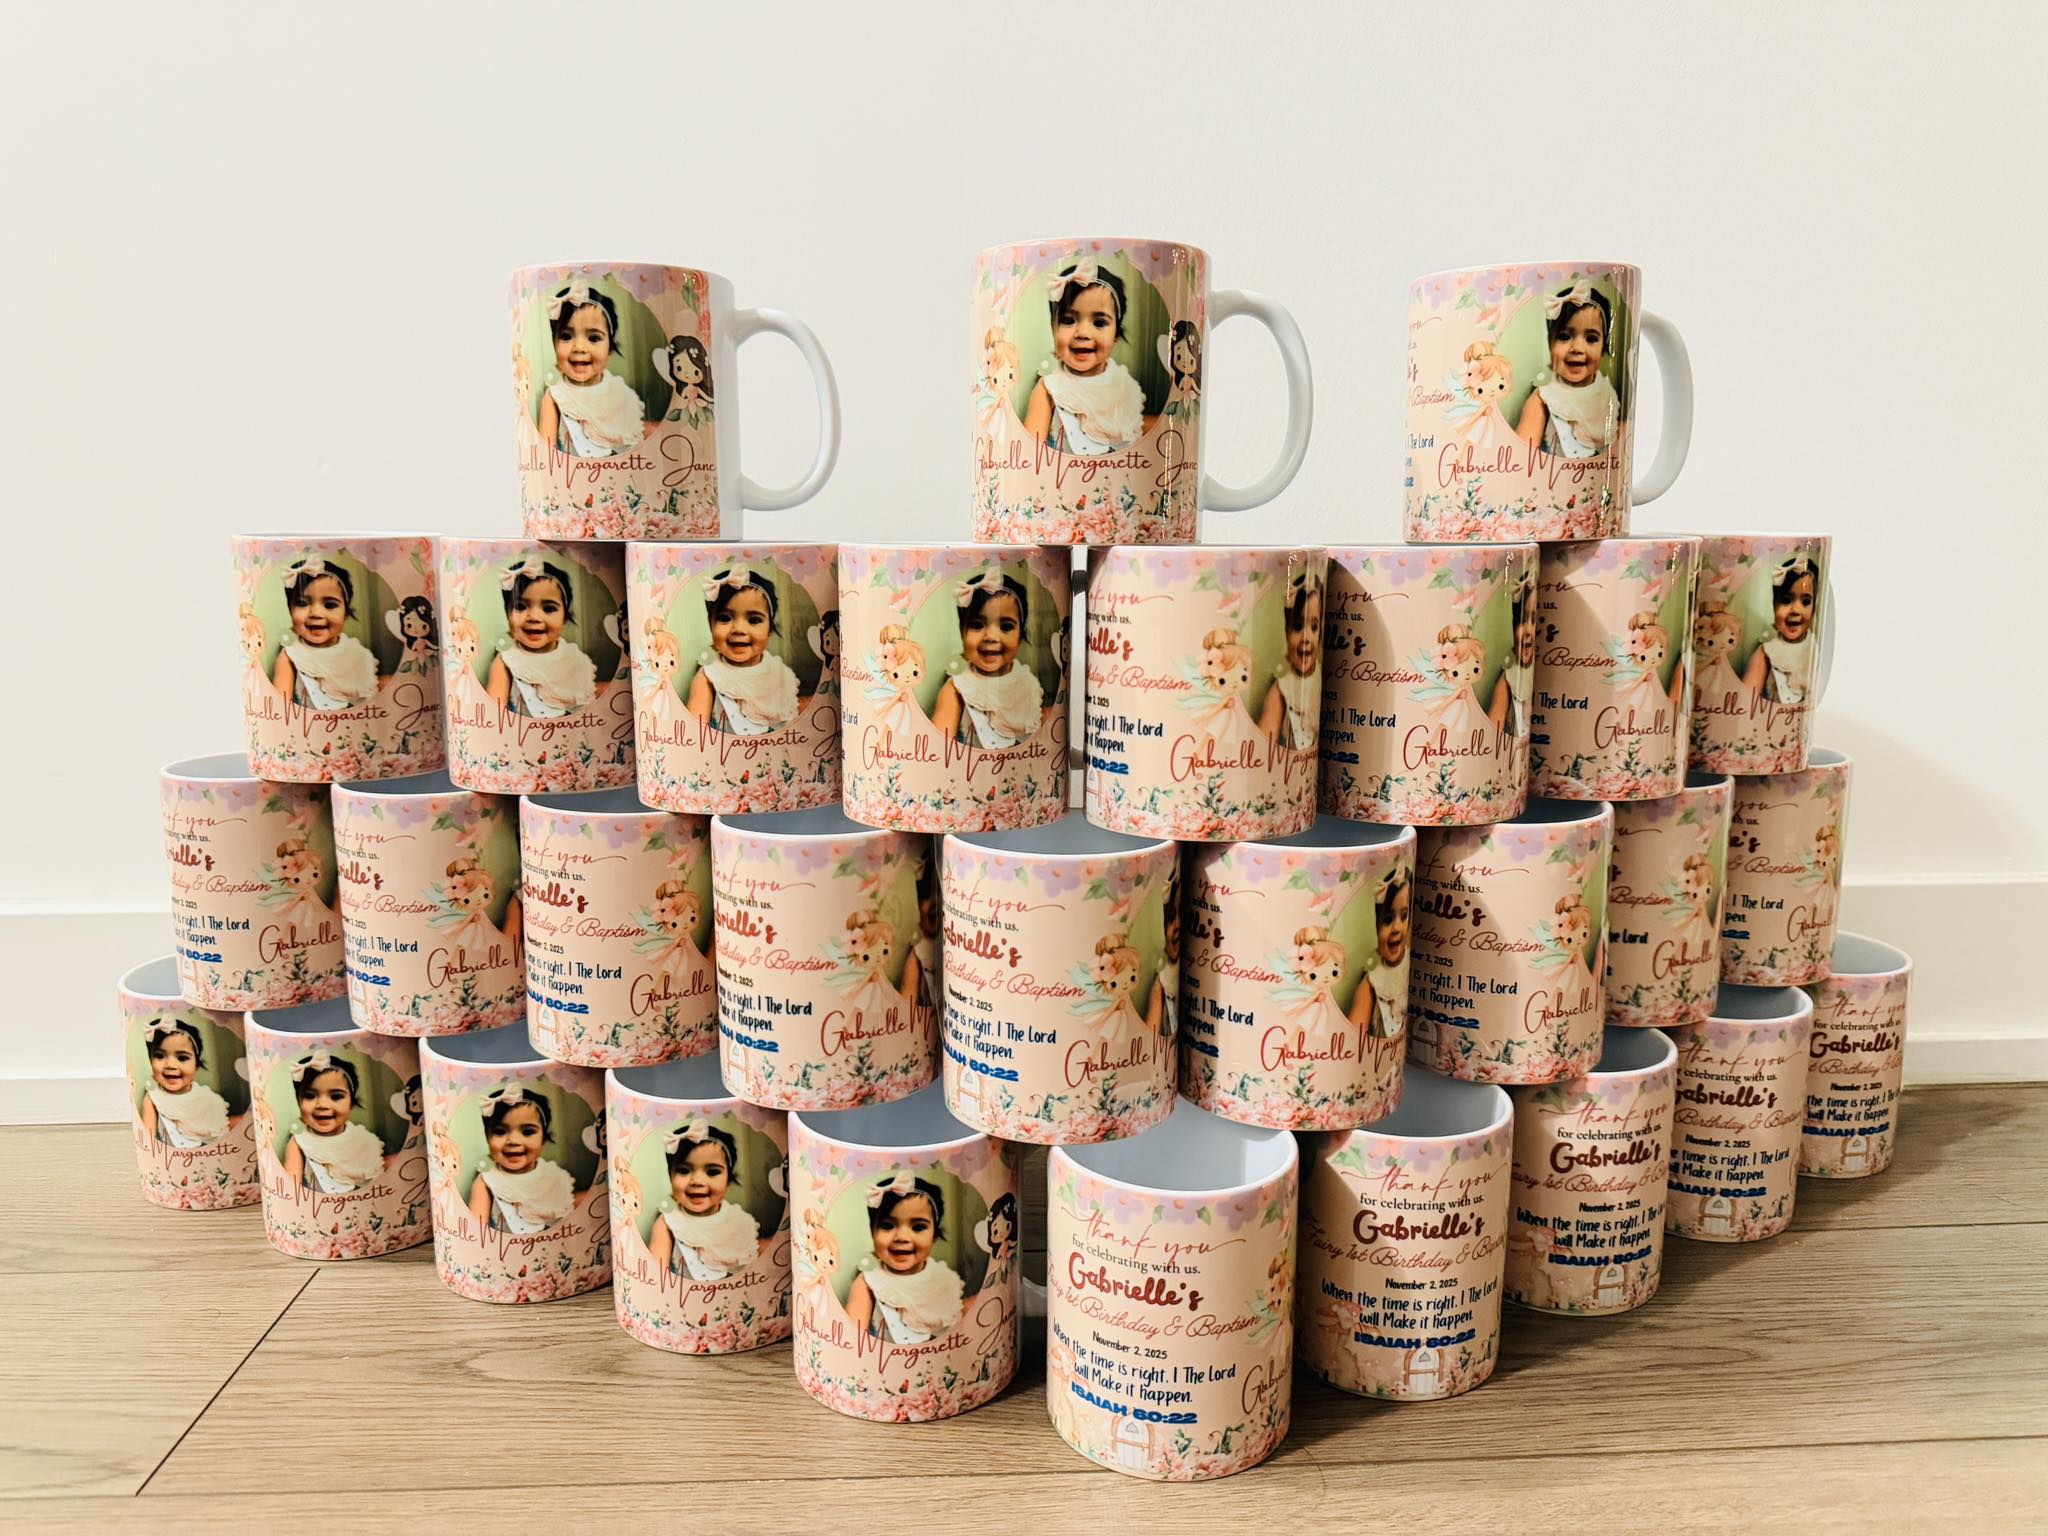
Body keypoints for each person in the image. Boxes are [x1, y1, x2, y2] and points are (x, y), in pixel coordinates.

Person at [843, 1174, 965, 1344]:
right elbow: (853, 1340)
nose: (902, 1237)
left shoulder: (943, 1278)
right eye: (887, 1226)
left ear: (934, 1235)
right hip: (885, 1359)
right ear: (872, 1231)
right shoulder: (869, 1282)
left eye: (918, 1227)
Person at [930, 570, 1043, 749]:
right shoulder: (957, 688)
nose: (991, 636)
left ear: (1020, 634)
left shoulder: (1029, 683)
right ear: (962, 632)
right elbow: (938, 748)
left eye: (1006, 626)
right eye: (977, 625)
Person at [272, 558, 377, 711]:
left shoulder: (357, 653)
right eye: (302, 603)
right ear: (290, 609)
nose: (316, 613)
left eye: (330, 605)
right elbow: (280, 708)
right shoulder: (291, 655)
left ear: (346, 613)